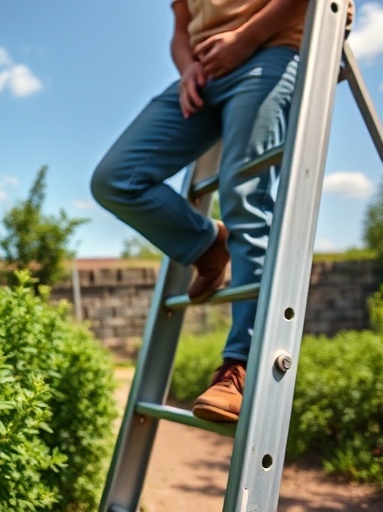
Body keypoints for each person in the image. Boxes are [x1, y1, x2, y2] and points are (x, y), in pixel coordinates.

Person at [91, 0, 350, 422]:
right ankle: (208, 244)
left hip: (269, 48)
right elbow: (181, 27)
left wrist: (245, 38)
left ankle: (239, 366)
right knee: (115, 179)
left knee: (244, 193)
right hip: (205, 72)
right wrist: (187, 68)